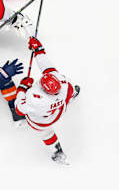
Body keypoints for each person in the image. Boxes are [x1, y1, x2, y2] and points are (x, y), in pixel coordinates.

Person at [15, 36, 80, 165]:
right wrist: (39, 50)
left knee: (46, 133)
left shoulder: (35, 98)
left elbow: (19, 108)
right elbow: (48, 67)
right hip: (59, 111)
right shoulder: (62, 83)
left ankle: (58, 151)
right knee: (69, 92)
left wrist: (22, 88)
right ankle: (72, 97)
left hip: (41, 121)